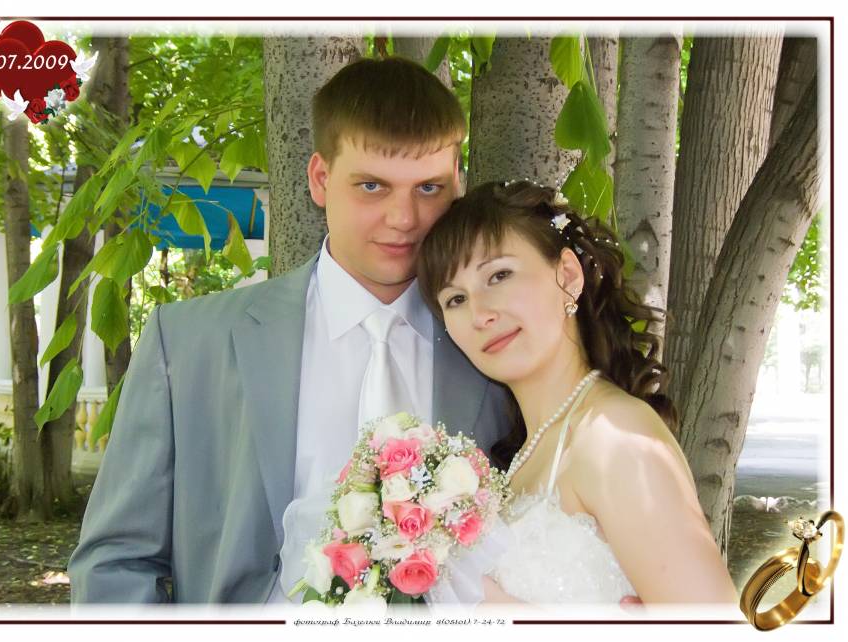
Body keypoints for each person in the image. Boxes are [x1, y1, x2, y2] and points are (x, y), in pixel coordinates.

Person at [67, 57, 515, 604]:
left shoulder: (497, 348)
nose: (404, 218)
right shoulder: (186, 341)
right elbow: (115, 563)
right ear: (320, 179)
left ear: (457, 184)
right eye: (371, 185)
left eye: (428, 188)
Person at [417, 180, 740, 605]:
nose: (480, 314)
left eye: (499, 275)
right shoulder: (526, 454)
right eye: (455, 299)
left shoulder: (614, 435)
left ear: (568, 276)